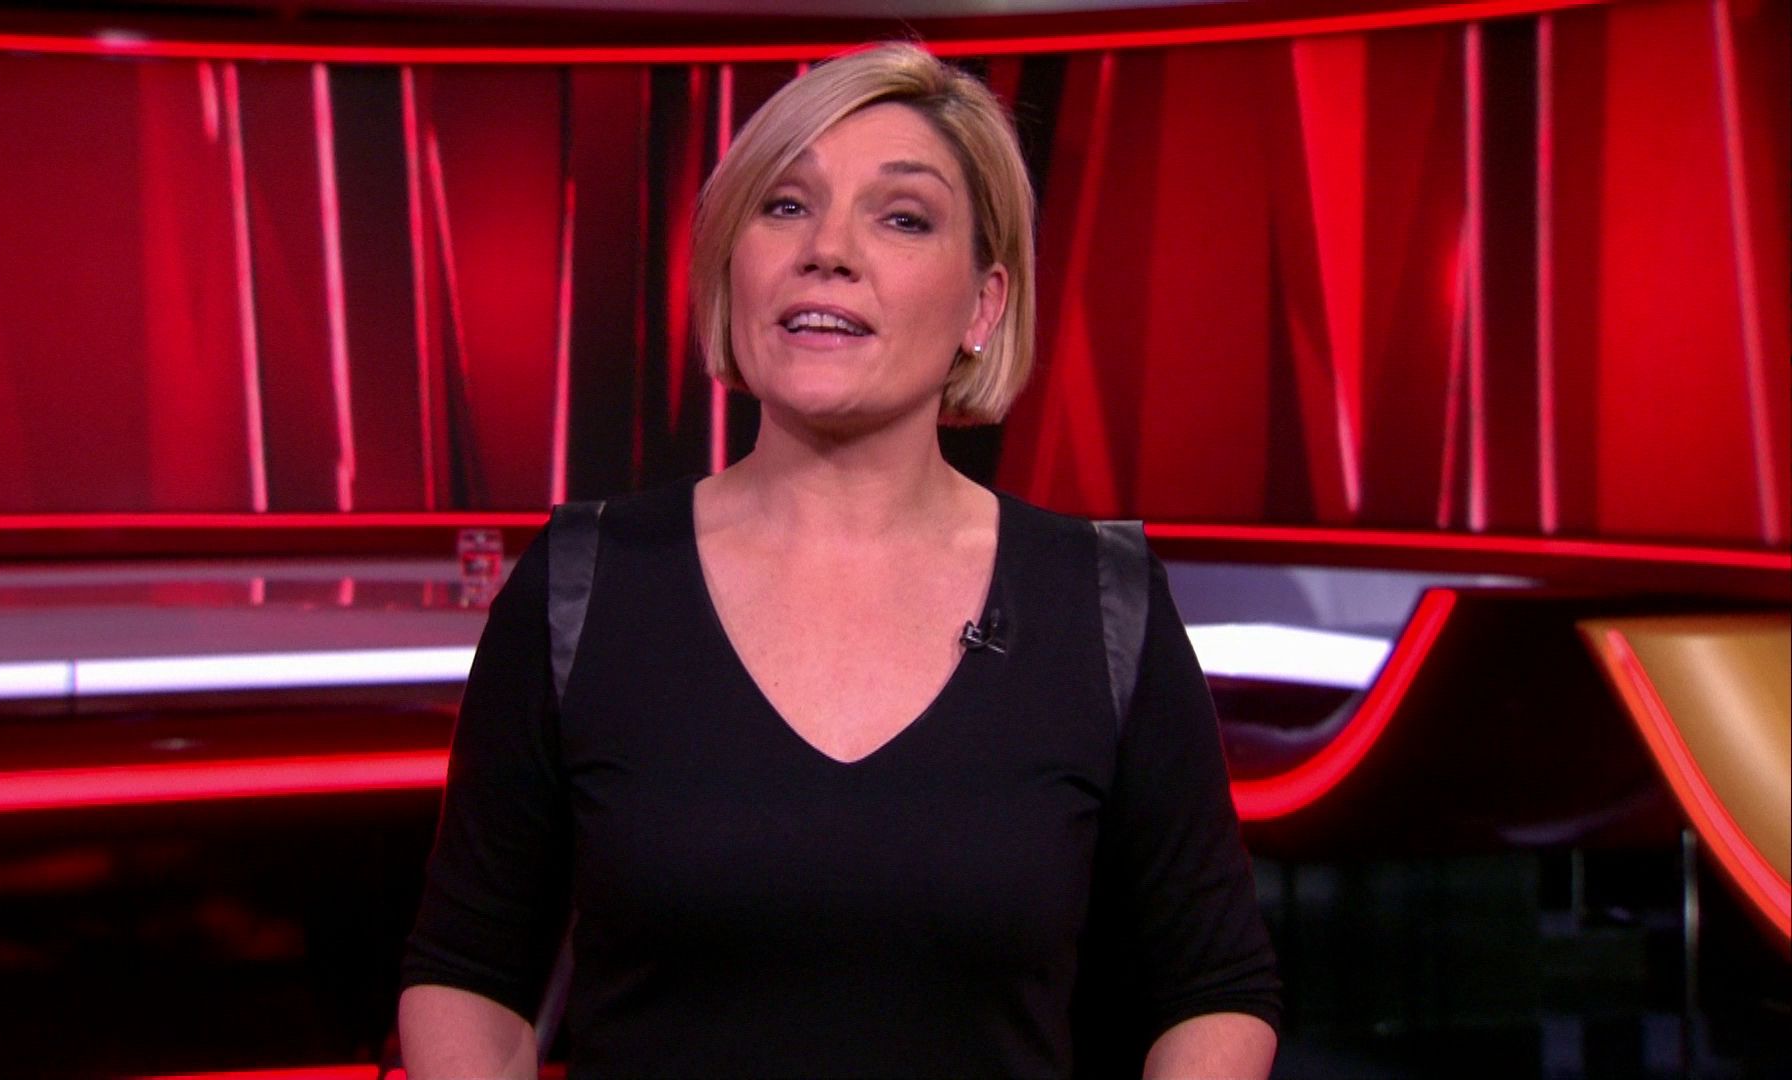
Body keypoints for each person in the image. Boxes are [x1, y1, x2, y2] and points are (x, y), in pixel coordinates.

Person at [398, 42, 1281, 1079]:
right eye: (784, 206)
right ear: (732, 266)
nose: (828, 250)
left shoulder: (1100, 601)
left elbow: (1214, 992)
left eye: (902, 218)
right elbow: (469, 973)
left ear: (984, 305)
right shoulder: (584, 585)